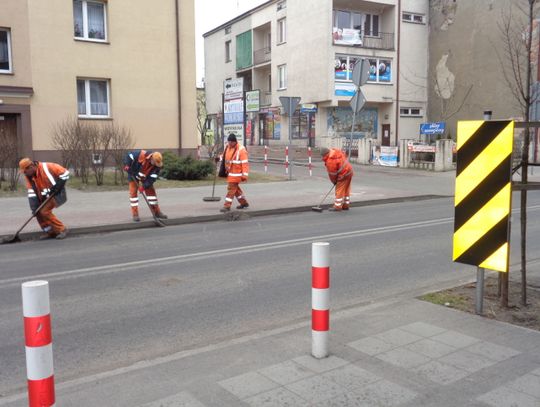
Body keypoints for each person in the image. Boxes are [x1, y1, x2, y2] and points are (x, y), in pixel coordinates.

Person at [19, 158, 70, 239]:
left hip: (56, 193)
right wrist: (34, 207)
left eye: (25, 171)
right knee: (38, 212)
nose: (25, 173)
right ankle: (50, 231)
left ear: (31, 167)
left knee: (44, 211)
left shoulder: (47, 166)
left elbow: (65, 173)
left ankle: (62, 229)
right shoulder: (29, 176)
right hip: (44, 196)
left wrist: (58, 186)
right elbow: (31, 191)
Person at [123, 150, 168, 222]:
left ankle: (157, 212)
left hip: (145, 177)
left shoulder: (157, 167)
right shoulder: (141, 154)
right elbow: (128, 156)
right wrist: (127, 165)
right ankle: (135, 214)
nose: (156, 165)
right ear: (152, 158)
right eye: (155, 163)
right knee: (133, 194)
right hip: (133, 175)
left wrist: (143, 187)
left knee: (152, 194)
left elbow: (151, 179)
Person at [218, 133, 250, 212]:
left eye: (231, 142)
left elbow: (245, 163)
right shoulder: (228, 148)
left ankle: (227, 206)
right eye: (228, 142)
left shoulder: (241, 150)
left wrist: (245, 175)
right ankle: (244, 203)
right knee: (236, 190)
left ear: (235, 141)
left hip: (237, 175)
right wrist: (218, 158)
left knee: (231, 189)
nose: (229, 143)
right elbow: (224, 156)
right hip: (230, 173)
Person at [320, 147, 354, 211]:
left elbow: (332, 174)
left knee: (339, 190)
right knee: (346, 189)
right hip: (349, 172)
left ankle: (337, 206)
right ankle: (345, 205)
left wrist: (334, 181)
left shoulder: (330, 160)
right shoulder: (336, 152)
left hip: (343, 174)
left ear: (324, 154)